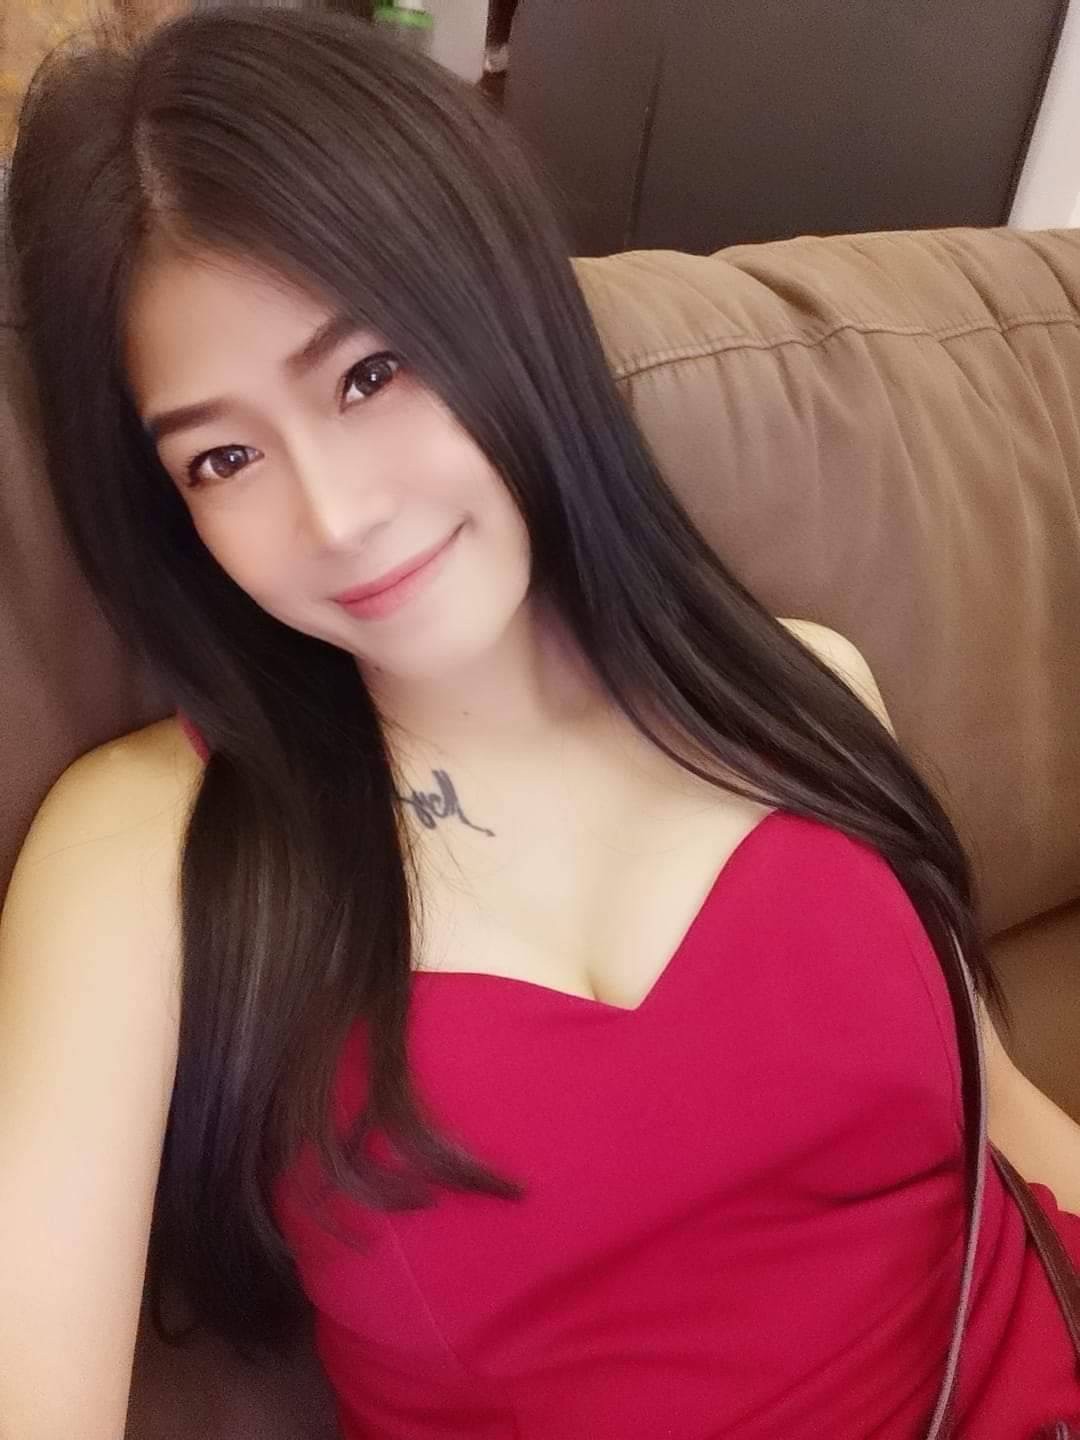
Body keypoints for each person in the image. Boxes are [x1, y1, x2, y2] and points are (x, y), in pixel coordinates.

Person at [1, 7, 1078, 1439]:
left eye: (370, 374)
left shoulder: (801, 684)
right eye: (226, 457)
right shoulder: (147, 854)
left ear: (503, 314)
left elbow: (1011, 1127)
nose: (337, 514)